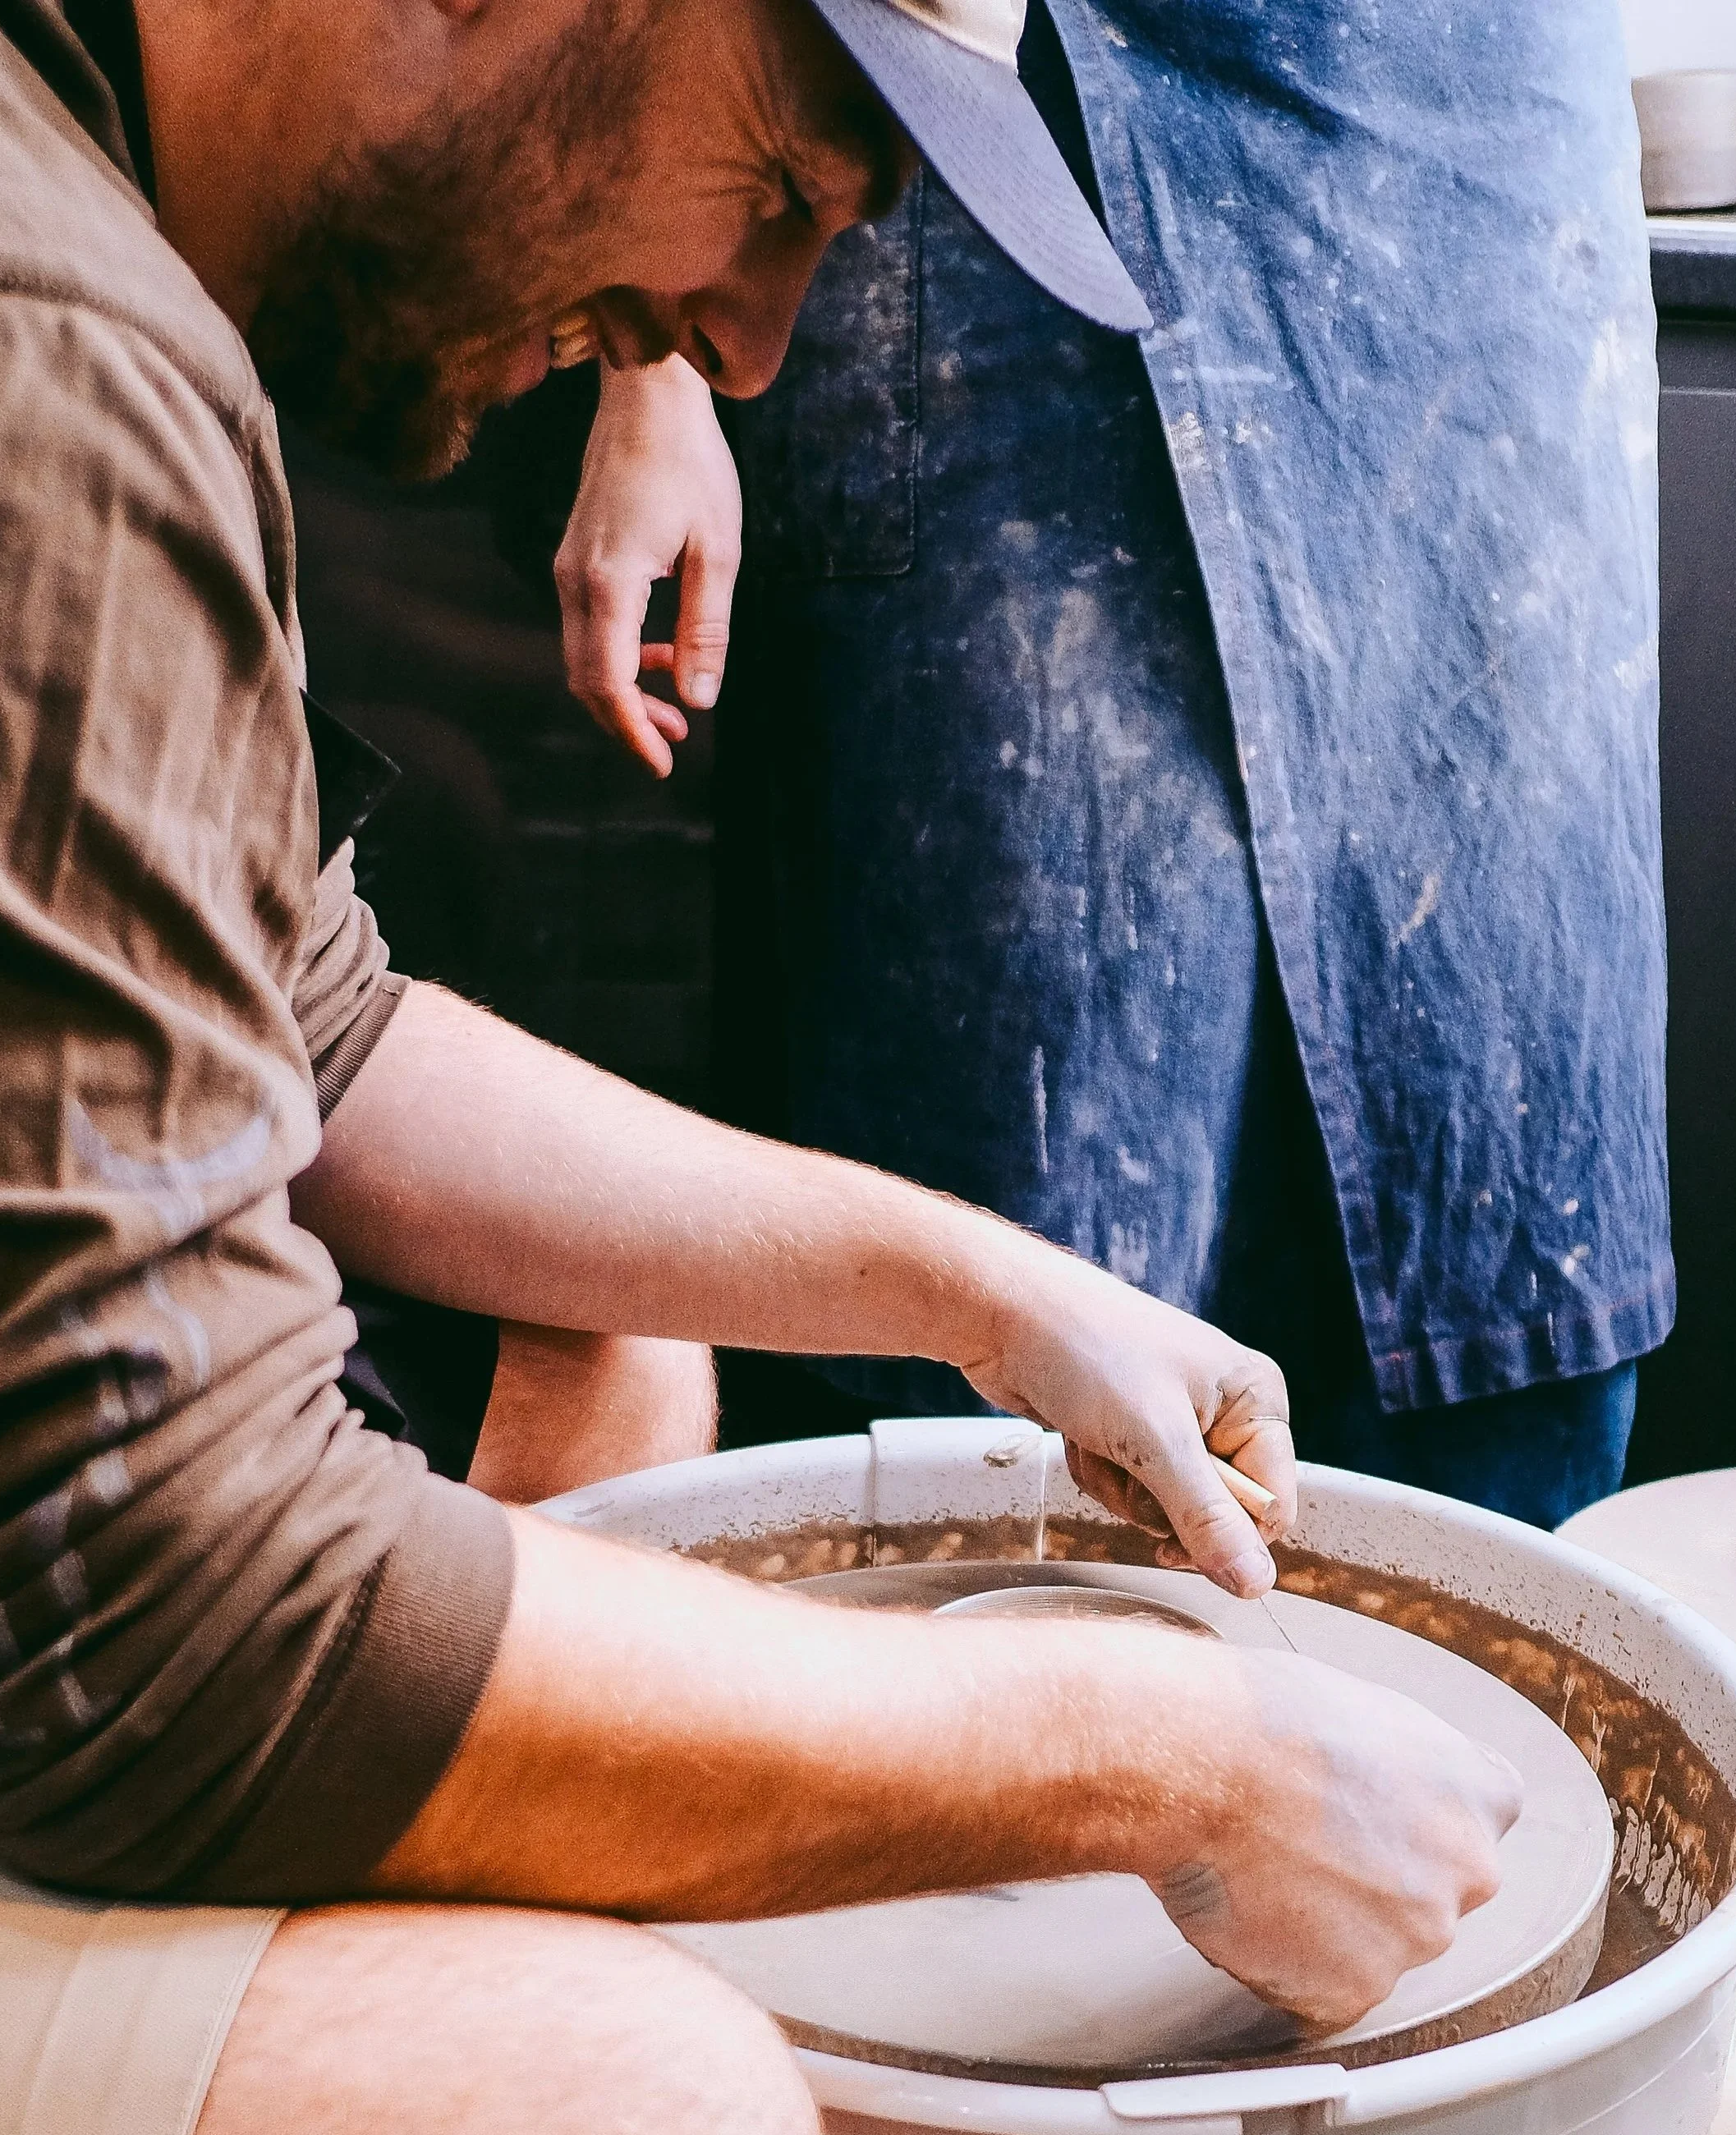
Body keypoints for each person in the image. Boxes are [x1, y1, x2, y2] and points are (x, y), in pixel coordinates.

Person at [0, 0, 1520, 2135]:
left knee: (617, 1349)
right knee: (626, 2118)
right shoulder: (14, 338)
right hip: (34, 1618)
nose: (751, 348)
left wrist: (968, 1281)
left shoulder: (52, 178)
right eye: (773, 192)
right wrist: (1155, 1756)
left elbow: (311, 1022)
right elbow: (149, 1611)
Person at [556, 0, 1669, 1530]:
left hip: (1460, 161)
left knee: (1478, 1092)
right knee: (1014, 1144)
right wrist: (656, 354)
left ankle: (1503, 1684)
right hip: (981, 126)